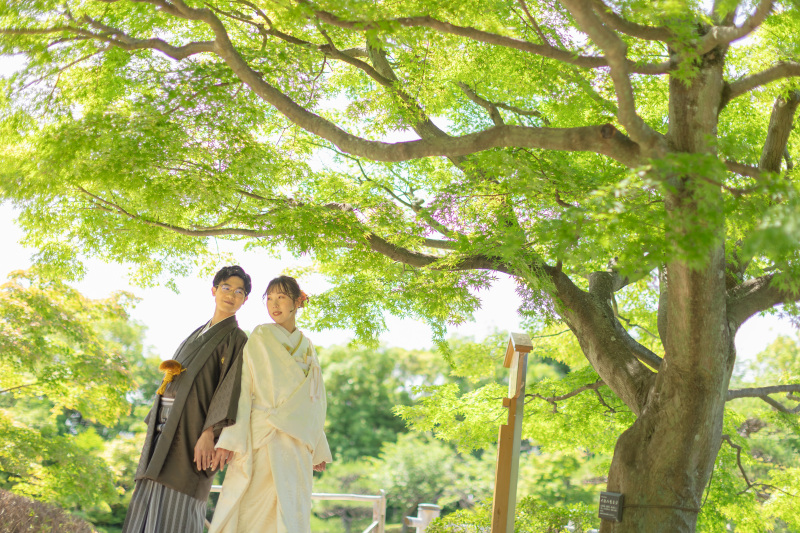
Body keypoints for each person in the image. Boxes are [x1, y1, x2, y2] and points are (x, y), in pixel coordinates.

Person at [122, 265, 252, 533]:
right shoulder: (196, 333)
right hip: (165, 429)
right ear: (214, 290)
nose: (231, 295)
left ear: (245, 300)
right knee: (149, 496)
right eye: (226, 288)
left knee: (180, 501)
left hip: (193, 433)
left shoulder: (236, 338)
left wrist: (210, 434)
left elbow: (230, 388)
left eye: (239, 292)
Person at [208, 275, 332, 533]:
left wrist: (318, 443)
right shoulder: (261, 335)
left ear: (298, 302)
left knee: (292, 509)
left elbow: (315, 400)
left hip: (296, 443)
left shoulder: (307, 346)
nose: (274, 305)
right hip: (263, 435)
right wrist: (230, 440)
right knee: (253, 509)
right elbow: (244, 389)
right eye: (270, 298)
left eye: (282, 298)